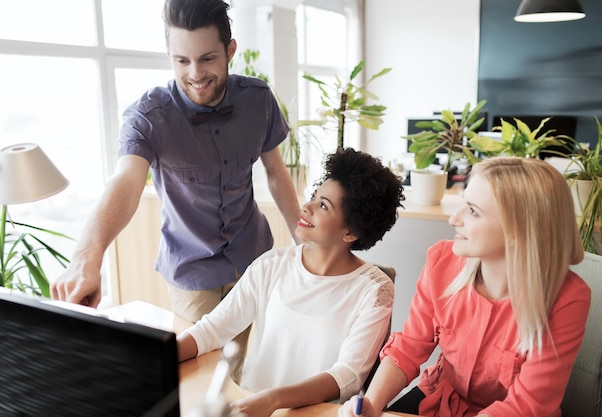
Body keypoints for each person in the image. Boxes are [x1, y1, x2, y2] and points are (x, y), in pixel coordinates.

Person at [50, 0, 301, 322]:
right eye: (182, 61)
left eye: (207, 58)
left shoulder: (259, 99)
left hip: (254, 257)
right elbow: (125, 181)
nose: (195, 74)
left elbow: (276, 172)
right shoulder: (149, 117)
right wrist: (86, 258)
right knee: (199, 370)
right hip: (192, 273)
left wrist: (303, 238)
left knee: (242, 364)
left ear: (230, 50)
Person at [339, 156, 592, 417]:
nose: (454, 219)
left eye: (473, 211)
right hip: (439, 398)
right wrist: (371, 403)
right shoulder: (441, 261)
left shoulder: (568, 299)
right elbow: (408, 349)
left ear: (519, 230)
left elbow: (530, 404)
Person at [177, 147, 405, 417]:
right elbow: (212, 330)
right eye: (313, 197)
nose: (306, 207)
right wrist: (156, 357)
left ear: (351, 231)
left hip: (315, 413)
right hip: (248, 405)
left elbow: (348, 375)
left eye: (323, 206)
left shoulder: (374, 289)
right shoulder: (271, 265)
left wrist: (274, 400)